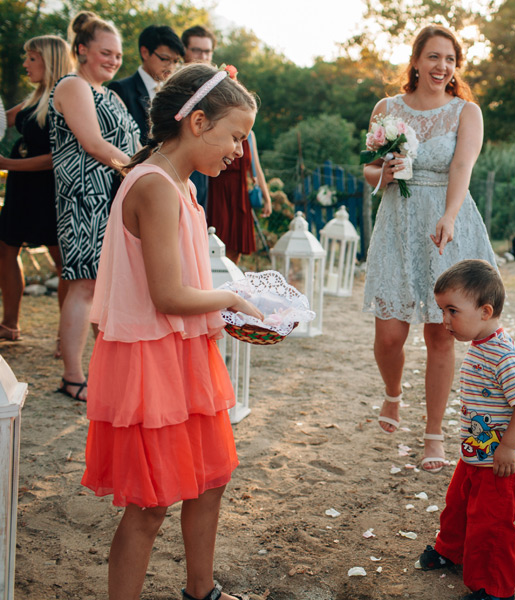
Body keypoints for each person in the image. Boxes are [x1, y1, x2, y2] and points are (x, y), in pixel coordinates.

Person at [81, 62, 262, 600]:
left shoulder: (183, 187)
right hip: (150, 360)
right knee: (150, 503)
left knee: (209, 480)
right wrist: (233, 300)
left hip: (184, 352)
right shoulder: (156, 186)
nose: (239, 153)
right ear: (198, 122)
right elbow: (166, 296)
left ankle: (201, 591)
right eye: (236, 137)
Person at [362, 25, 496, 472]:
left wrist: (450, 215)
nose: (442, 67)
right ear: (416, 60)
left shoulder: (466, 112)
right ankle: (393, 394)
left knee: (440, 333)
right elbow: (370, 169)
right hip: (397, 222)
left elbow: (462, 167)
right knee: (390, 334)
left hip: (445, 223)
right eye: (434, 57)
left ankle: (434, 435)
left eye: (450, 59)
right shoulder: (387, 109)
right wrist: (387, 169)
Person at [414, 259, 515, 600]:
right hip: (476, 454)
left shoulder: (504, 355)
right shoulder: (480, 345)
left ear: (485, 311)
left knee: (492, 526)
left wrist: (508, 447)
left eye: (452, 311)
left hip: (504, 464)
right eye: (442, 310)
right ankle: (451, 550)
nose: (444, 320)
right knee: (458, 505)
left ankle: (495, 589)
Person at [49, 11, 140, 402]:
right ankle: (72, 376)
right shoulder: (72, 86)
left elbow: (135, 144)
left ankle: (104, 373)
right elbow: (94, 144)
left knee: (108, 287)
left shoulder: (112, 94)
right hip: (85, 198)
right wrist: (141, 172)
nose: (114, 60)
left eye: (118, 55)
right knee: (84, 285)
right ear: (82, 50)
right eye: (106, 52)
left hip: (115, 200)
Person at [0, 35, 72, 342]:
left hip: (46, 190)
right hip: (20, 188)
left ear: (49, 60)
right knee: (5, 249)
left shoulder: (64, 96)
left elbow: (58, 158)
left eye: (31, 58)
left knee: (61, 262)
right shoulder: (34, 97)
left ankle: (64, 335)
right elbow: (5, 119)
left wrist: (6, 163)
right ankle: (9, 324)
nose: (25, 64)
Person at [205, 124, 271, 263]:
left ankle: (231, 282)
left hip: (240, 197)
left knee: (236, 248)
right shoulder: (219, 130)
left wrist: (267, 198)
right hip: (217, 194)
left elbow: (256, 169)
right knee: (214, 242)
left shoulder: (250, 136)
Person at [108, 25, 184, 145]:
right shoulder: (121, 90)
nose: (171, 66)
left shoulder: (175, 92)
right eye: (165, 59)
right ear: (145, 52)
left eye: (175, 61)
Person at [181, 25, 216, 211]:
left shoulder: (217, 87)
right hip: (178, 166)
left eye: (207, 51)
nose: (202, 56)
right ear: (184, 51)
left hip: (206, 170)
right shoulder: (174, 85)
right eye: (196, 50)